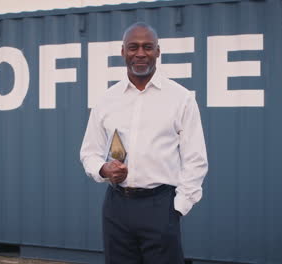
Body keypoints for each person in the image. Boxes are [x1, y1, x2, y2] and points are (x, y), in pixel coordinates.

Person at [80, 22, 208, 264]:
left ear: (158, 52)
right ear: (123, 51)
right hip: (116, 208)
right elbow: (90, 152)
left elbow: (195, 159)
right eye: (133, 47)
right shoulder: (107, 100)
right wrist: (103, 169)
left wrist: (178, 207)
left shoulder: (180, 98)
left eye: (147, 47)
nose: (140, 53)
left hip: (160, 206)